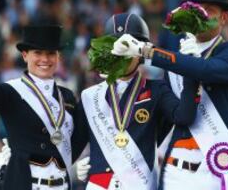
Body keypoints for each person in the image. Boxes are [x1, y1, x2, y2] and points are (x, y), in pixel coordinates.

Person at [111, 0, 228, 189]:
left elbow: (204, 70)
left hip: (217, 172)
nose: (201, 16)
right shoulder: (176, 63)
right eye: (196, 10)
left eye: (209, 10)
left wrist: (148, 52)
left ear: (224, 18)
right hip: (176, 174)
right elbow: (172, 119)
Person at [0, 0, 80, 190]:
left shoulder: (68, 97)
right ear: (25, 55)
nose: (44, 60)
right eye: (38, 53)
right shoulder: (12, 92)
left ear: (58, 57)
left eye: (50, 54)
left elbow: (77, 140)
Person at [75, 13, 200, 190]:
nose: (123, 55)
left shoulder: (157, 90)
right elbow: (71, 147)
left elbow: (184, 117)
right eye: (117, 46)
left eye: (128, 48)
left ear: (140, 52)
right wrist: (88, 161)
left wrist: (190, 68)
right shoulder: (90, 96)